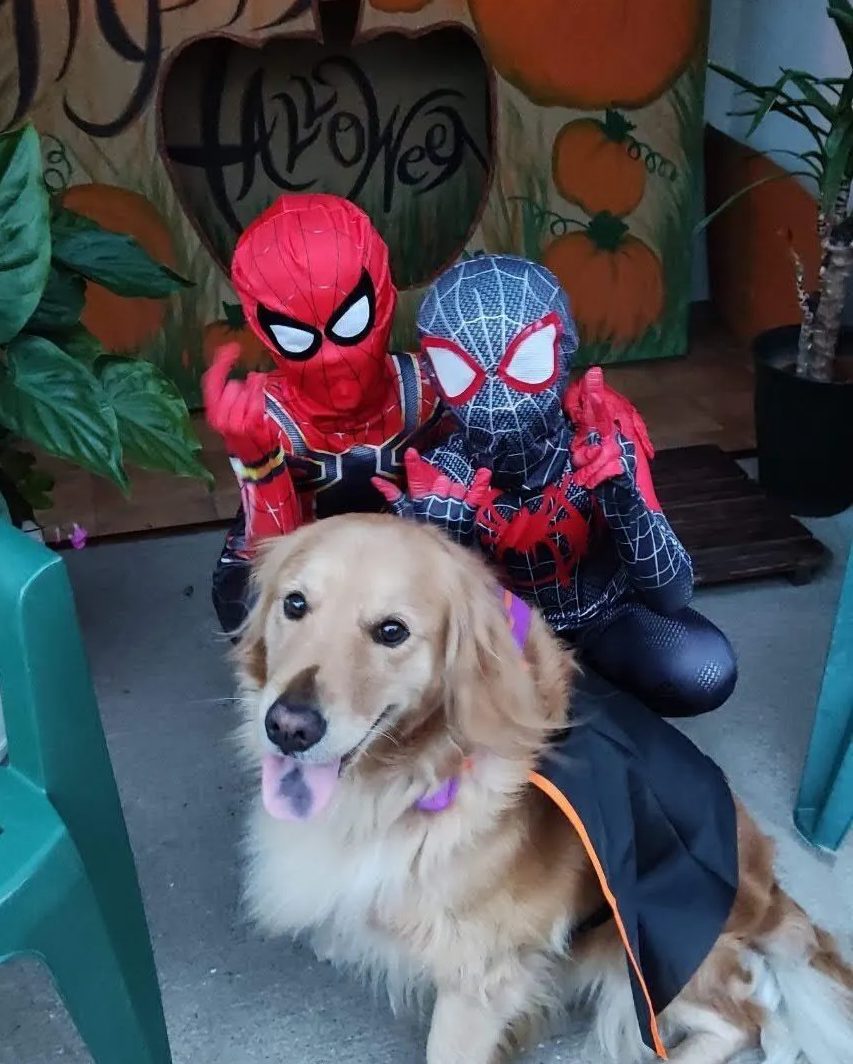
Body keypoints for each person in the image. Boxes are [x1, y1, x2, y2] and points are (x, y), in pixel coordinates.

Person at [377, 253, 737, 717]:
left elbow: (674, 594)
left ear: (561, 348)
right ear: (433, 372)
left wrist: (626, 506)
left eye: (524, 361)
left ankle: (588, 695)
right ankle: (575, 702)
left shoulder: (599, 443)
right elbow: (426, 628)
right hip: (509, 629)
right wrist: (443, 543)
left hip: (607, 611)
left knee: (703, 669)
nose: (497, 397)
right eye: (460, 371)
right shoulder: (441, 481)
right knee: (478, 701)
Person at [203, 193, 445, 636]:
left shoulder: (425, 387)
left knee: (494, 591)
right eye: (297, 337)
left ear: (383, 296)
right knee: (249, 611)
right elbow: (271, 557)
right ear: (265, 331)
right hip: (303, 557)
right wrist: (258, 464)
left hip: (408, 540)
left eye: (350, 321)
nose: (332, 357)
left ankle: (530, 651)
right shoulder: (267, 416)